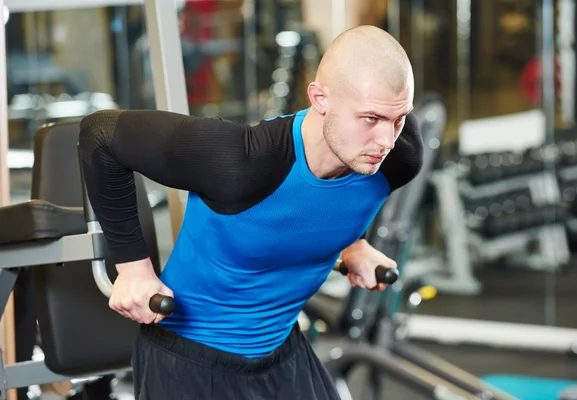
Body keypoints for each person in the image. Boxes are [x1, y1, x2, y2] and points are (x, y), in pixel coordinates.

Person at [79, 25, 423, 400]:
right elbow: (100, 135)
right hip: (190, 360)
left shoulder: (398, 158)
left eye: (399, 119)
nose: (387, 141)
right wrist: (132, 269)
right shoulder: (239, 161)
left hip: (283, 350)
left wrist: (351, 243)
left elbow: (332, 200)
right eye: (370, 119)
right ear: (320, 98)